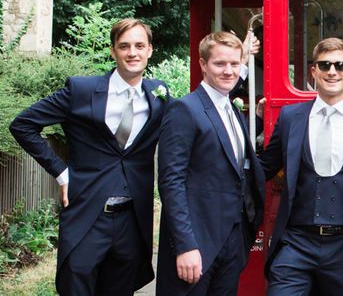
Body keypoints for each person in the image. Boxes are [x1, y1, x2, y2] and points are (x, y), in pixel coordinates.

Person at [9, 18, 167, 296]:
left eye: (139, 45)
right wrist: (61, 171)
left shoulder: (159, 96)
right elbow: (23, 124)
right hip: (87, 214)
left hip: (132, 220)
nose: (133, 52)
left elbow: (193, 117)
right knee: (76, 286)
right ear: (113, 51)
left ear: (150, 50)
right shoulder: (81, 91)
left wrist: (240, 70)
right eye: (124, 46)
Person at [258, 37, 343, 295]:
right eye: (325, 65)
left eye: (340, 65)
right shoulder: (291, 117)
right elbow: (263, 168)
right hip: (295, 242)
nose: (332, 72)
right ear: (313, 71)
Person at [157, 31, 266, 295]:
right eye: (220, 64)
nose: (229, 71)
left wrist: (259, 120)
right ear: (203, 65)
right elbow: (171, 182)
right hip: (198, 243)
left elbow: (227, 157)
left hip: (233, 240)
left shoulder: (233, 110)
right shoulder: (185, 109)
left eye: (234, 64)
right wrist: (185, 246)